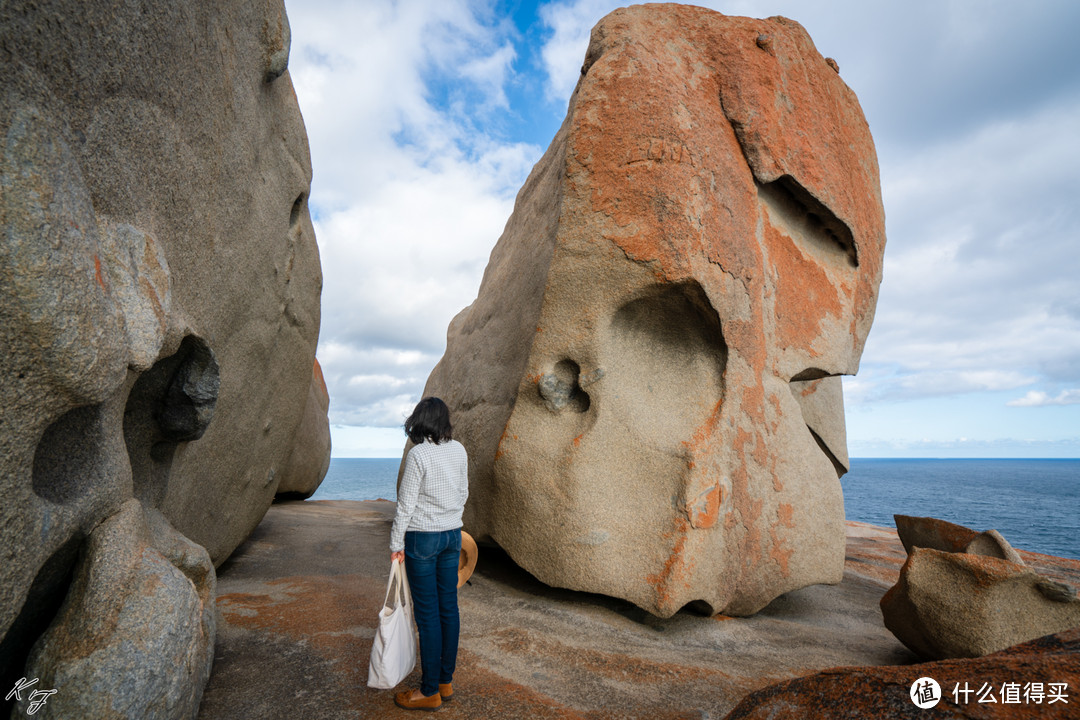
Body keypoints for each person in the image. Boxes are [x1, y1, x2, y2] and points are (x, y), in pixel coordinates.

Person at [390, 397, 469, 711]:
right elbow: (463, 492)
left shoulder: (419, 454)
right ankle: (444, 683)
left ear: (419, 420)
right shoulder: (459, 449)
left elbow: (406, 505)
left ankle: (428, 691)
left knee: (428, 616)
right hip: (452, 537)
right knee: (448, 608)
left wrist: (396, 546)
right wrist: (450, 518)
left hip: (423, 538)